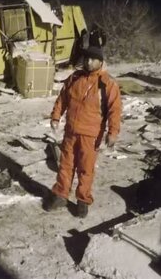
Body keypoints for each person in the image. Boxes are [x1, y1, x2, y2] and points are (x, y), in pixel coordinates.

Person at [45, 45, 122, 217]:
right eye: (86, 58)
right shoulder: (75, 78)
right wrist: (56, 117)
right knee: (65, 165)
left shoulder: (107, 83)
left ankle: (83, 200)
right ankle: (60, 195)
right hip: (71, 132)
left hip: (90, 135)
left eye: (93, 59)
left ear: (100, 61)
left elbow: (114, 110)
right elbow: (62, 99)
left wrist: (113, 132)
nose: (88, 62)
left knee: (85, 169)